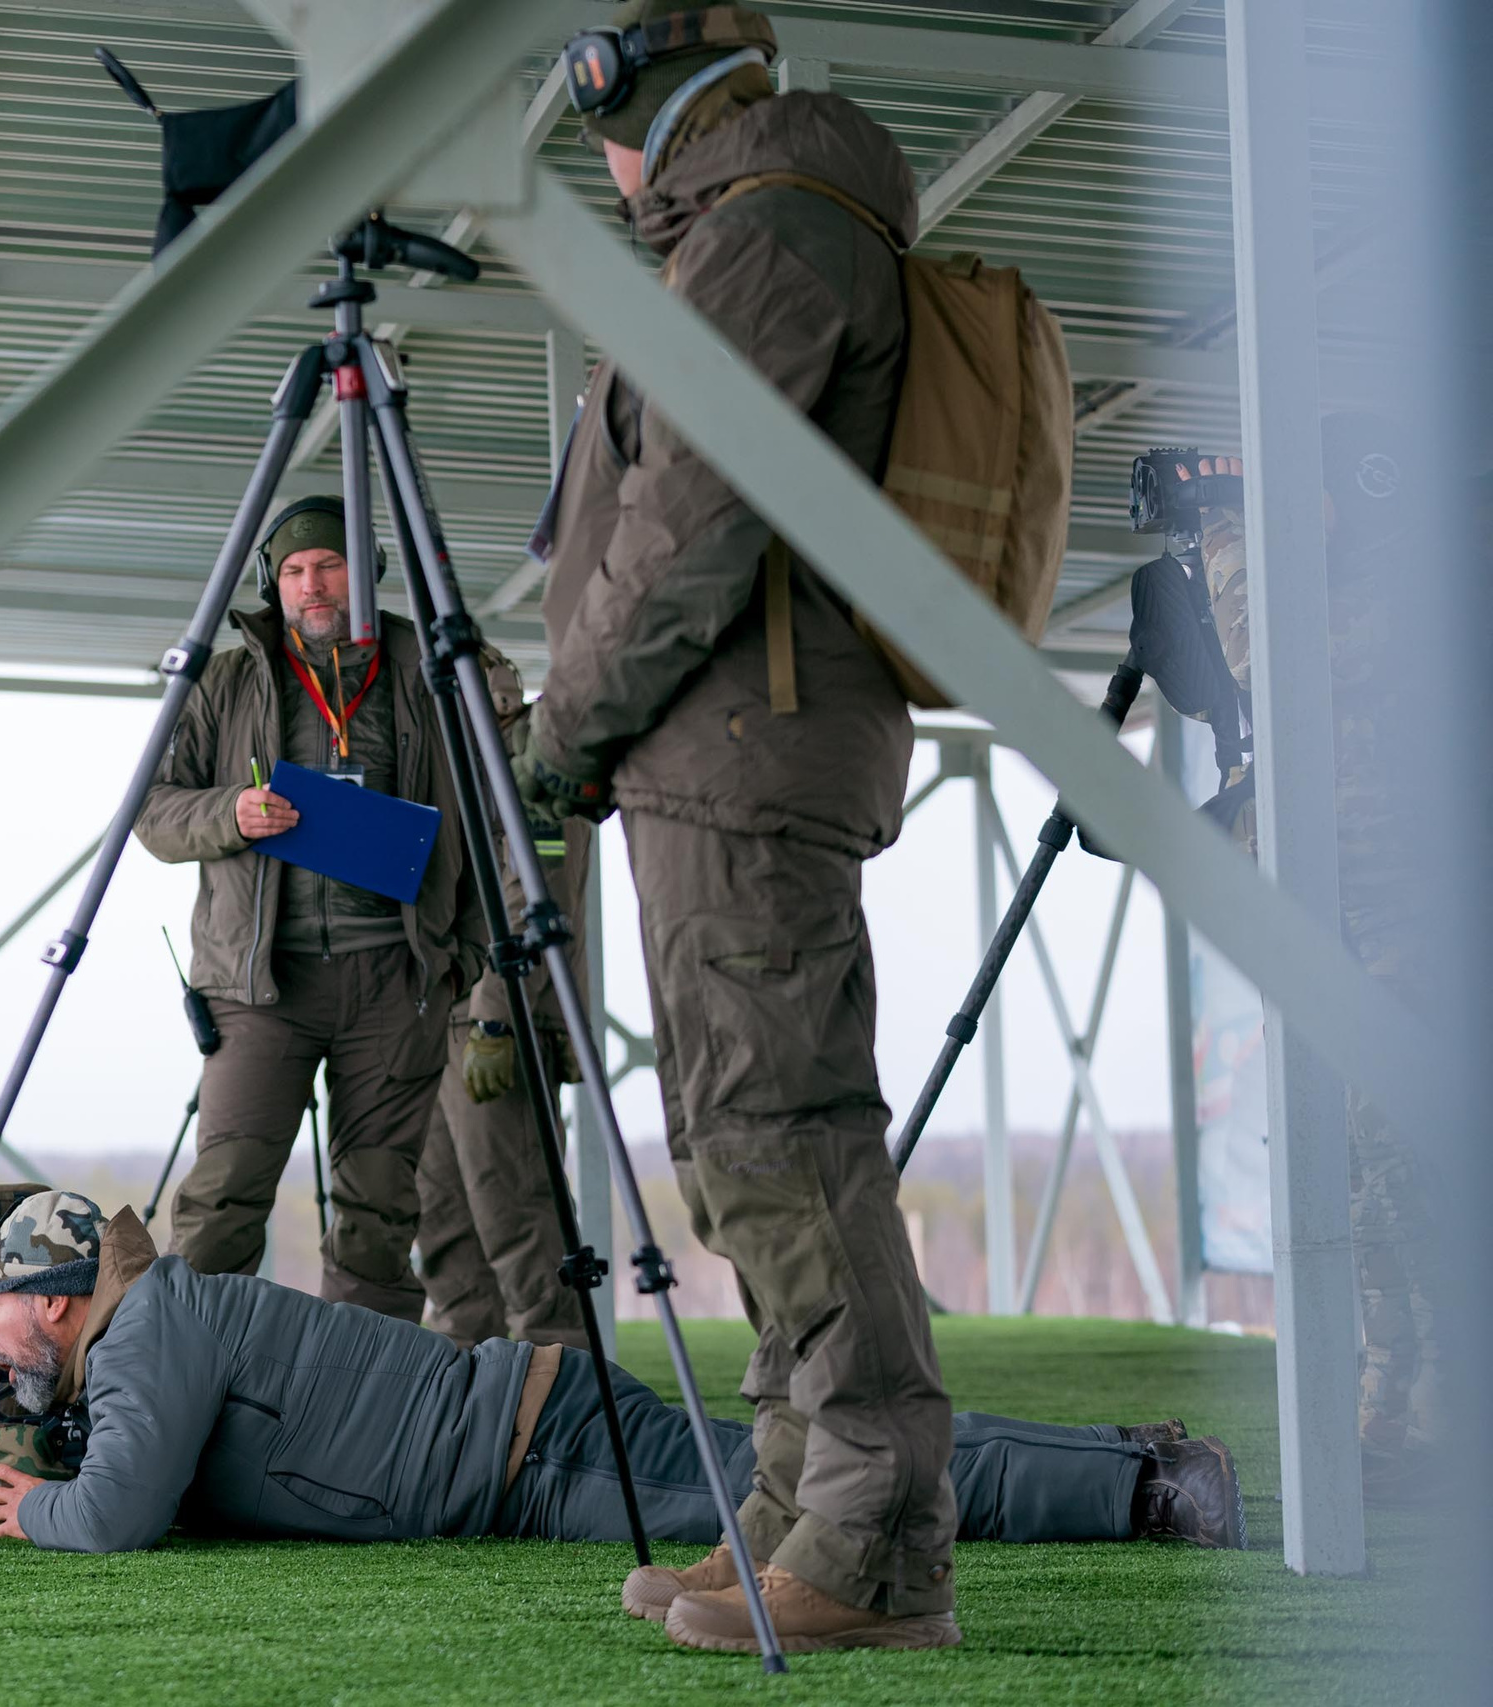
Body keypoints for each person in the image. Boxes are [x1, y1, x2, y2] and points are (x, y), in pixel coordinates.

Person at [508, 0, 957, 1653]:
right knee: (737, 1149)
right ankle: (793, 1505)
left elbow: (689, 522)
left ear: (637, 83)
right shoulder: (748, 228)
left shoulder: (768, 230)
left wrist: (558, 737)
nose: (595, 157)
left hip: (741, 753)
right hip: (714, 752)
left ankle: (877, 1548)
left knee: (785, 1138)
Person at [0, 1191, 1243, 1656]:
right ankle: (1138, 1465)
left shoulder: (155, 1324)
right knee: (809, 1472)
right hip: (532, 1442)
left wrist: (30, 1505)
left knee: (842, 1484)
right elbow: (118, 1461)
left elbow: (114, 1512)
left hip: (545, 1448)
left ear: (59, 1301)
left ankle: (1150, 1479)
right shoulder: (134, 1342)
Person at [137, 496, 486, 1321]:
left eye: (329, 564)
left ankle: (360, 1406)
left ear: (364, 573)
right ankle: (190, 1382)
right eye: (293, 571)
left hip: (395, 986)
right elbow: (151, 811)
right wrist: (231, 813)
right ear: (272, 584)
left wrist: (457, 960)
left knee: (379, 1214)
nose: (311, 584)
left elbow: (484, 824)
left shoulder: (428, 677)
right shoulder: (224, 679)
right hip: (262, 990)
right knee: (222, 1200)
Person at [1186, 420, 1444, 1499]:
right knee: (1359, 1172)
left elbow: (1267, 654)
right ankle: (1399, 1409)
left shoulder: (1381, 606)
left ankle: (1427, 1411)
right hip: (1343, 929)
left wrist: (1231, 534)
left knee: (1392, 1162)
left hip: (1395, 936)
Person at [416, 685, 596, 1350]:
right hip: (430, 1019)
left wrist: (496, 1016)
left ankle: (560, 1412)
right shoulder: (443, 767)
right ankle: (470, 1411)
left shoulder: (531, 767)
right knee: (444, 1232)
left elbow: (534, 901)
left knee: (521, 1225)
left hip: (494, 1025)